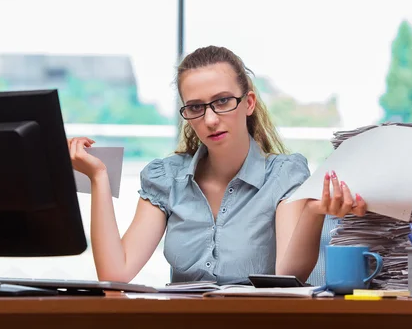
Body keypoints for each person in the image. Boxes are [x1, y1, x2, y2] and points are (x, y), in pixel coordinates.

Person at [68, 45, 367, 285]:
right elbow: (114, 274)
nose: (210, 119)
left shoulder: (283, 174)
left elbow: (288, 276)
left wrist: (314, 211)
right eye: (196, 107)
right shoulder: (167, 178)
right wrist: (99, 176)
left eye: (223, 101)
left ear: (248, 103)